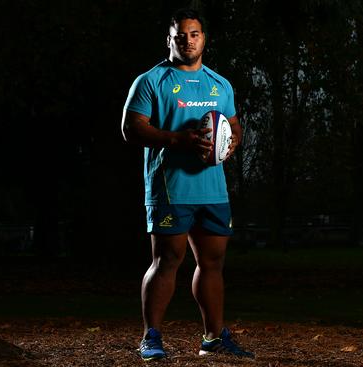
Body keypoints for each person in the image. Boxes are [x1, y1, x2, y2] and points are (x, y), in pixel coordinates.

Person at [121, 8, 254, 361]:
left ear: (203, 39)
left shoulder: (220, 84)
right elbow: (131, 128)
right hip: (171, 187)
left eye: (194, 34)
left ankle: (213, 336)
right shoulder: (151, 81)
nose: (187, 40)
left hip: (213, 189)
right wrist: (177, 140)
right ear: (169, 40)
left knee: (212, 263)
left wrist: (232, 141)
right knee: (167, 260)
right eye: (180, 35)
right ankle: (151, 336)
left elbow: (235, 126)